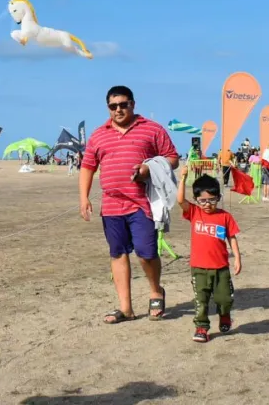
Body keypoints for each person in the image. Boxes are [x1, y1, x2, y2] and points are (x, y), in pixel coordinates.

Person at [80, 85, 179, 324]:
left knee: (146, 253)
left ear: (133, 104)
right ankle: (126, 309)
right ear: (108, 108)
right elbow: (88, 166)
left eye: (123, 104)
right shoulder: (98, 134)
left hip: (142, 203)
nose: (119, 110)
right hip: (111, 205)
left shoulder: (152, 129)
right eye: (113, 106)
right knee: (118, 253)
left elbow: (173, 158)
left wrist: (148, 169)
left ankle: (156, 290)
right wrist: (83, 197)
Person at [176, 165, 241, 343]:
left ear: (218, 198)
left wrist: (237, 257)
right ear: (196, 200)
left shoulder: (225, 217)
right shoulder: (194, 213)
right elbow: (180, 199)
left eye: (212, 200)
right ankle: (202, 327)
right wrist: (182, 178)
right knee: (201, 301)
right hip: (199, 267)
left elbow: (232, 238)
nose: (207, 204)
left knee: (225, 298)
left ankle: (225, 315)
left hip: (221, 268)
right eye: (202, 200)